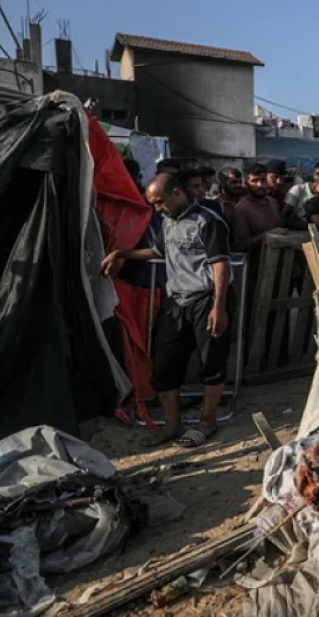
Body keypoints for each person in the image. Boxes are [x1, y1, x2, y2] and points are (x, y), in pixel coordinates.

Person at [99, 173, 231, 448]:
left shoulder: (208, 221)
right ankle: (172, 424)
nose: (157, 208)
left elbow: (220, 264)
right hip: (176, 301)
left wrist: (218, 307)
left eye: (160, 201)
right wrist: (121, 253)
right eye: (153, 203)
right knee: (164, 367)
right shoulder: (168, 221)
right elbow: (157, 251)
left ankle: (207, 421)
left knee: (211, 363)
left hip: (206, 299)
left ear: (177, 193)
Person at [232, 162, 286, 252]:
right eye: (254, 181)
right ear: (246, 183)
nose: (260, 185)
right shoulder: (241, 210)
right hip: (260, 259)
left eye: (263, 180)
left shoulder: (273, 202)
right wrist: (266, 235)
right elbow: (241, 245)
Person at [283, 161, 319, 228]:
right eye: (317, 174)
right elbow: (284, 217)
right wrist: (307, 226)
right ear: (313, 174)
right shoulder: (297, 189)